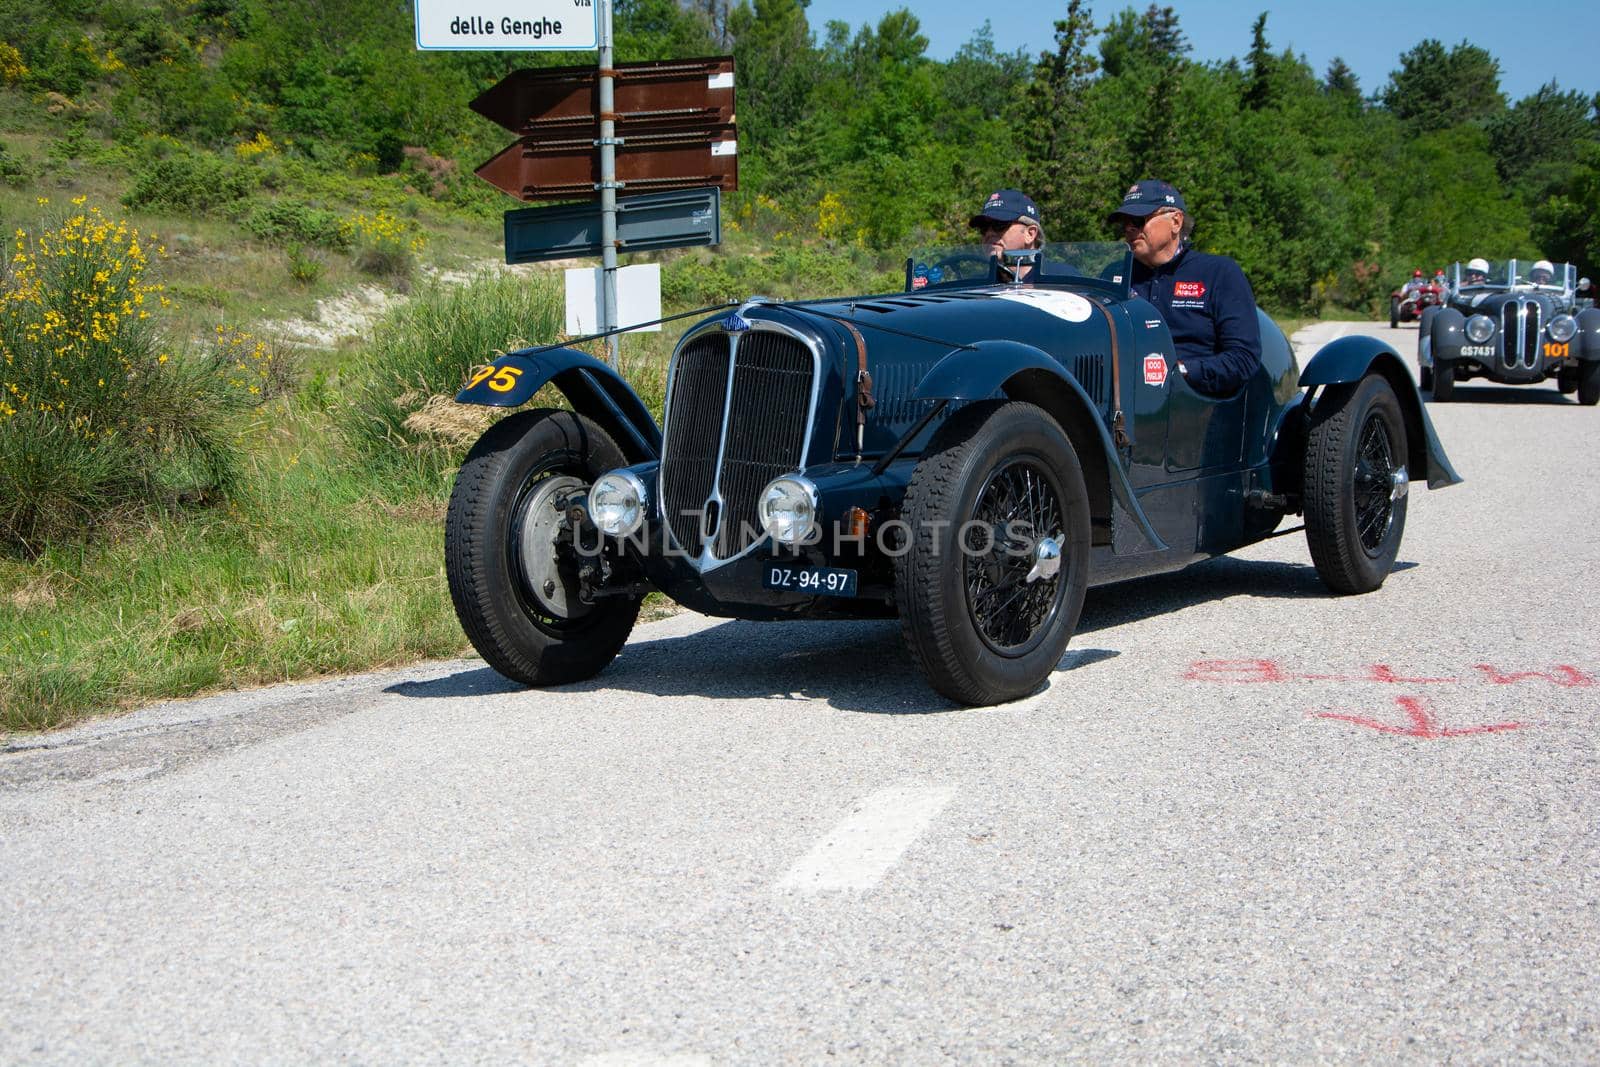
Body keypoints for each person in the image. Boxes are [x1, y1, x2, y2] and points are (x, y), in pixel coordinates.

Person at [1108, 179, 1261, 396]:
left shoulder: (1218, 273)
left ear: (1176, 222)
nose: (1129, 229)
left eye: (1138, 220)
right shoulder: (1115, 275)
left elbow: (1243, 358)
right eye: (1124, 223)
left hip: (1192, 403)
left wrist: (1179, 371)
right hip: (1119, 398)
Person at [969, 189, 1044, 279]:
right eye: (984, 227)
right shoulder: (976, 286)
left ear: (1030, 234)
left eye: (1000, 224)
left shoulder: (1059, 281)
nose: (989, 233)